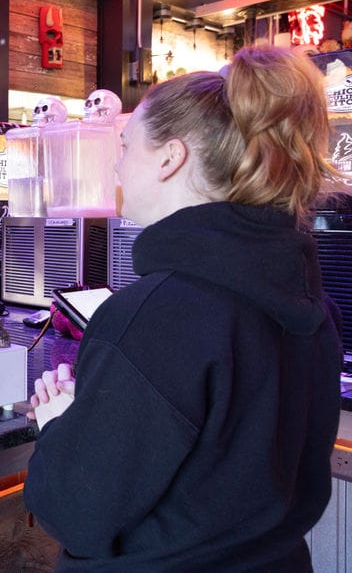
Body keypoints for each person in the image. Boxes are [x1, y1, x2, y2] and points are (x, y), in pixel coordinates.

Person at [25, 46, 347, 570]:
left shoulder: (153, 317)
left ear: (171, 158)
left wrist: (62, 426)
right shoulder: (314, 307)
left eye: (125, 145)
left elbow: (74, 512)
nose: (116, 162)